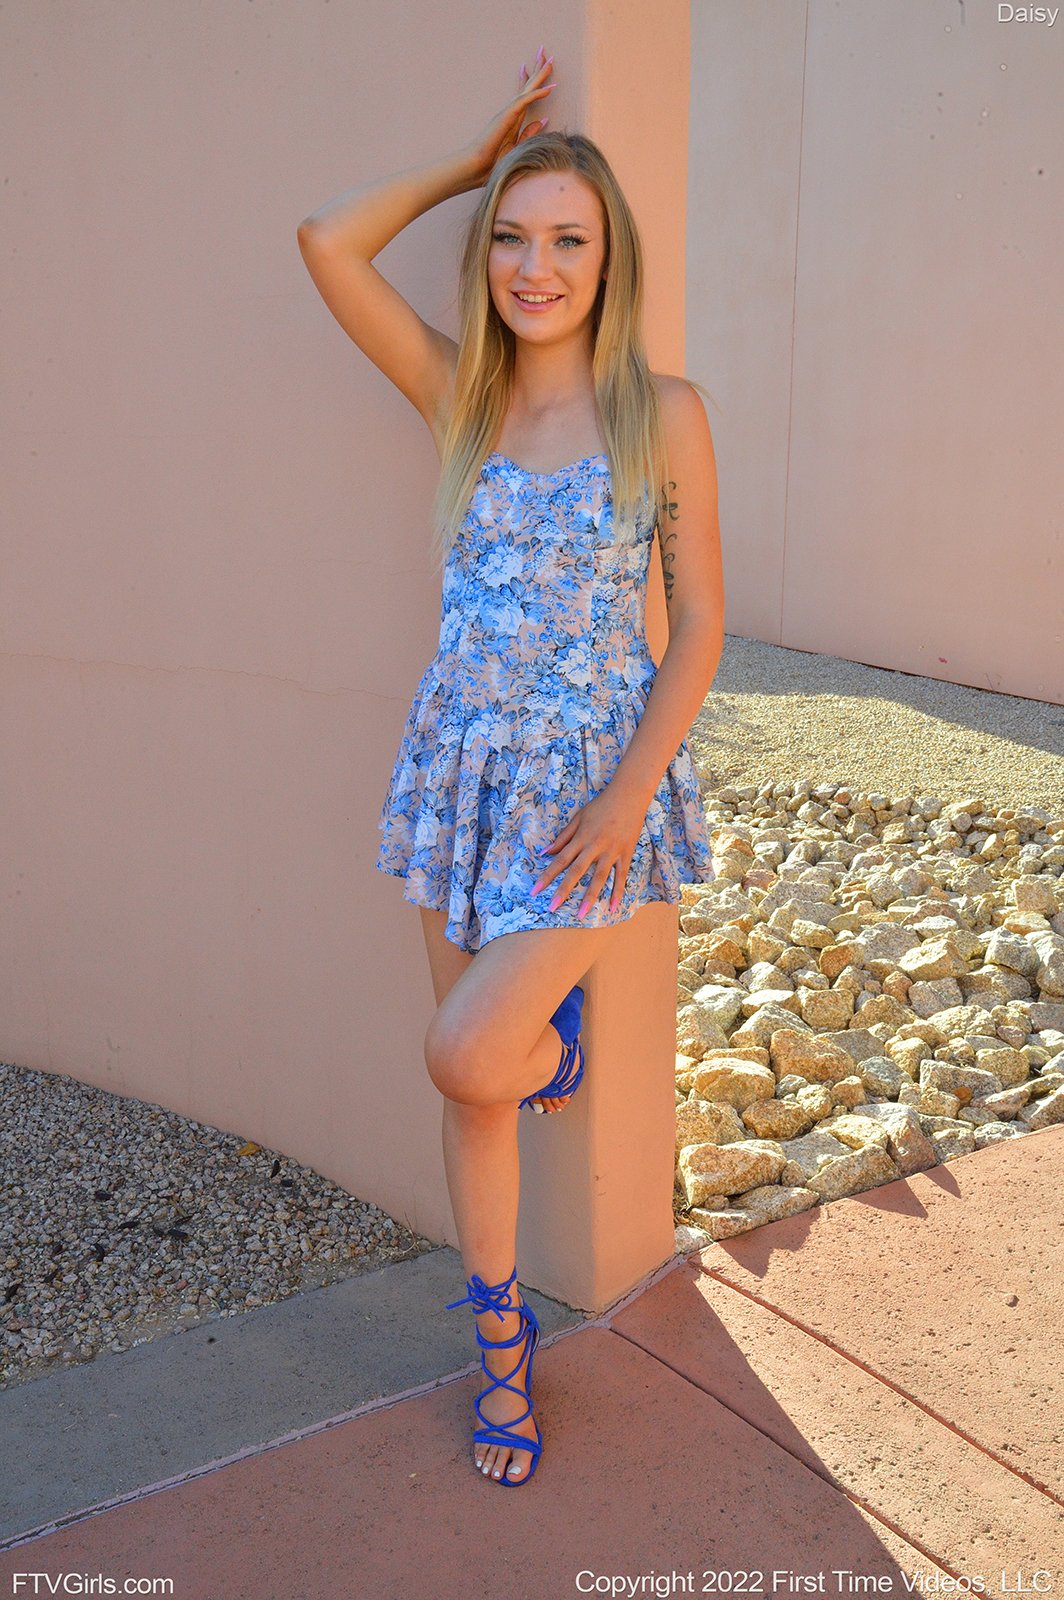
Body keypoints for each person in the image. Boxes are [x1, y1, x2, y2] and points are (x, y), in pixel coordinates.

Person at [297, 44, 724, 1489]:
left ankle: (551, 1043)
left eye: (568, 240)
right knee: (470, 1095)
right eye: (512, 238)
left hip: (586, 797)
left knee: (474, 1051)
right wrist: (474, 165)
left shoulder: (663, 413)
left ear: (611, 262)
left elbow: (701, 622)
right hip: (458, 773)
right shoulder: (462, 401)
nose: (537, 267)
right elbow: (327, 241)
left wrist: (629, 795)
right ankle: (498, 1341)